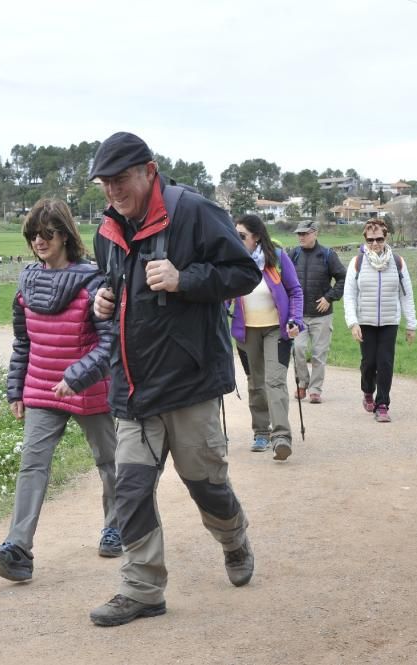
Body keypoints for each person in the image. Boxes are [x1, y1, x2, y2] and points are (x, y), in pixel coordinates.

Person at [88, 132, 260, 627]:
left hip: (189, 383)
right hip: (134, 389)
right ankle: (142, 589)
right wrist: (105, 296)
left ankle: (234, 539)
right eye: (105, 183)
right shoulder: (107, 230)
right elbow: (114, 283)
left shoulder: (194, 212)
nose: (113, 192)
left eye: (120, 180)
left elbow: (242, 273)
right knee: (132, 490)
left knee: (207, 486)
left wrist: (186, 280)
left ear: (149, 169)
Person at [0, 199, 119, 583]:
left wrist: (78, 376)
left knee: (110, 463)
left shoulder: (93, 283)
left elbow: (110, 344)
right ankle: (18, 550)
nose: (39, 241)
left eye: (47, 234)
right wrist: (15, 390)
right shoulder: (26, 284)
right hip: (42, 388)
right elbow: (22, 344)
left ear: (65, 235)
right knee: (32, 465)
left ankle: (117, 525)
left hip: (88, 388)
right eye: (33, 235)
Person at [228, 214, 303, 460]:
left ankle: (281, 437)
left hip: (276, 330)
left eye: (242, 236)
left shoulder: (278, 259)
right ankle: (261, 431)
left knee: (274, 381)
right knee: (256, 383)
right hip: (246, 331)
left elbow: (295, 291)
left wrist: (296, 319)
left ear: (256, 237)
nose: (237, 241)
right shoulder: (233, 262)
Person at [343, 218, 417, 422]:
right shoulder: (357, 262)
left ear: (386, 237)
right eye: (370, 240)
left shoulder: (398, 262)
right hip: (365, 321)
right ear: (365, 240)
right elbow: (349, 295)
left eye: (379, 239)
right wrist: (353, 323)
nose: (375, 244)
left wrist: (411, 324)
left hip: (389, 321)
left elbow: (406, 294)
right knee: (369, 363)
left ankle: (382, 404)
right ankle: (368, 390)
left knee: (385, 363)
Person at [290, 220, 347, 404]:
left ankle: (315, 389)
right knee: (298, 349)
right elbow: (285, 280)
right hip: (299, 315)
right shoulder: (294, 254)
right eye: (299, 234)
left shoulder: (328, 255)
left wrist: (329, 297)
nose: (301, 237)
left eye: (305, 233)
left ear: (315, 233)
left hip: (322, 315)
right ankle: (302, 384)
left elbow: (342, 278)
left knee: (318, 354)